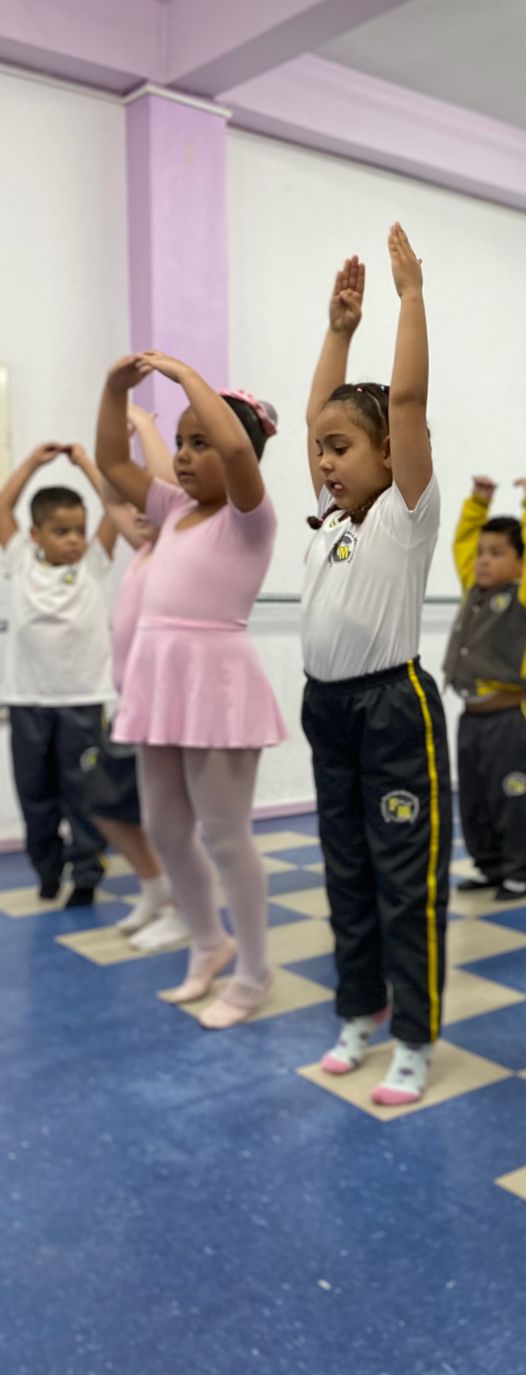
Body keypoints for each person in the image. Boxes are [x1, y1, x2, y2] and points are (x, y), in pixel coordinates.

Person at [300, 234, 451, 1107]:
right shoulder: (330, 520)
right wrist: (337, 330)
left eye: (343, 448)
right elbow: (319, 412)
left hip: (394, 712)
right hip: (327, 710)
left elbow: (408, 400)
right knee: (346, 871)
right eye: (320, 449)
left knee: (405, 880)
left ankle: (414, 1039)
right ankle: (360, 1008)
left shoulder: (405, 513)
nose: (325, 462)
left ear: (390, 453)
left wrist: (409, 298)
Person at [96, 351, 286, 1029]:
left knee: (226, 836)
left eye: (198, 443)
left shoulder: (249, 516)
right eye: (179, 442)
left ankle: (254, 971)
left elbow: (236, 449)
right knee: (167, 829)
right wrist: (113, 390)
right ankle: (209, 942)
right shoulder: (172, 507)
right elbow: (112, 464)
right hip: (158, 680)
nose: (182, 456)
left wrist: (184, 376)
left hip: (217, 684)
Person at [0, 441, 117, 905]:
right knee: (36, 796)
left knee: (84, 794)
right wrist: (33, 462)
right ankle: (47, 870)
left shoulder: (93, 562)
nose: (74, 540)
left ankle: (86, 873)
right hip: (28, 701)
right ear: (35, 534)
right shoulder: (19, 559)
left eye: (79, 530)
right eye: (61, 531)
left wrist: (86, 462)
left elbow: (115, 506)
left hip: (82, 701)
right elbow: (2, 507)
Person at [89, 404, 188, 946]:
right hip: (130, 706)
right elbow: (111, 497)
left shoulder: (176, 548)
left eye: (148, 502)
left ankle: (183, 908)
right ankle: (154, 887)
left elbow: (167, 495)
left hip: (162, 708)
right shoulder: (144, 549)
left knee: (166, 818)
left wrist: (148, 429)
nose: (139, 511)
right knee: (105, 805)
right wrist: (114, 444)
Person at [444, 473, 526, 900]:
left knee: (512, 798)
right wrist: (477, 505)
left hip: (510, 722)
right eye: (481, 553)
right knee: (475, 800)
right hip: (470, 720)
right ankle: (489, 866)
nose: (483, 561)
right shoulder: (473, 590)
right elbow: (462, 545)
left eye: (496, 553)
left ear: (521, 563)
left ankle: (522, 870)